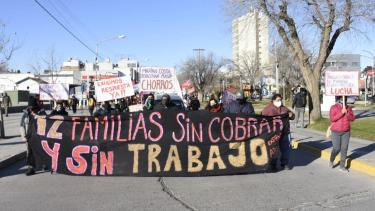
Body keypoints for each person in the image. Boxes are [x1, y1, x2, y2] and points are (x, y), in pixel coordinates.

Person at [261, 94, 295, 171]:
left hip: (285, 132)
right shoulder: (267, 109)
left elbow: (293, 116)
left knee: (286, 149)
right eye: (278, 100)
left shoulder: (284, 108)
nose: (280, 101)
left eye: (280, 100)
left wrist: (291, 115)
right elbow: (262, 119)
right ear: (273, 100)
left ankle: (284, 164)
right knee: (274, 149)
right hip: (273, 133)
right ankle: (273, 164)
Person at [20, 96, 47, 176]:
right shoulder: (25, 114)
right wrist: (23, 136)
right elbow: (22, 125)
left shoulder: (41, 112)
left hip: (39, 136)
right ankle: (31, 168)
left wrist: (36, 115)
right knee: (30, 152)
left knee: (41, 150)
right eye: (30, 107)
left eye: (33, 108)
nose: (31, 109)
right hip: (29, 136)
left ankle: (44, 163)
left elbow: (46, 122)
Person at [329, 96, 355, 172]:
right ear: (338, 99)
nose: (344, 100)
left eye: (345, 99)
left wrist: (347, 113)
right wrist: (341, 113)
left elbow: (352, 118)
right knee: (336, 148)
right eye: (343, 99)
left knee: (344, 148)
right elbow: (332, 118)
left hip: (346, 131)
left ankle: (342, 166)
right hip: (335, 131)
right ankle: (331, 160)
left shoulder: (349, 108)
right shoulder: (333, 107)